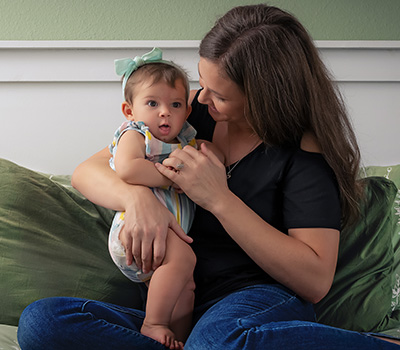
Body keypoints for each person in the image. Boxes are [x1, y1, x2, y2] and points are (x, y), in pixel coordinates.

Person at [17, 4, 400, 350]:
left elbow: (315, 280)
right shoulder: (189, 116)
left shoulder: (303, 152)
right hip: (180, 305)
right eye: (202, 82)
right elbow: (91, 170)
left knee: (218, 340)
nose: (201, 99)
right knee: (43, 322)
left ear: (265, 96)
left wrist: (219, 198)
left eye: (218, 94)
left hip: (255, 298)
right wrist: (137, 200)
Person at [106, 47, 204, 349]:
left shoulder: (185, 140)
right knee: (185, 259)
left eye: (175, 104)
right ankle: (154, 323)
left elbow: (213, 159)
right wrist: (174, 179)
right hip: (135, 233)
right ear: (129, 110)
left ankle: (175, 340)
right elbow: (128, 168)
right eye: (152, 103)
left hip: (164, 240)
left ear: (186, 112)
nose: (165, 112)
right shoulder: (136, 134)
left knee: (186, 286)